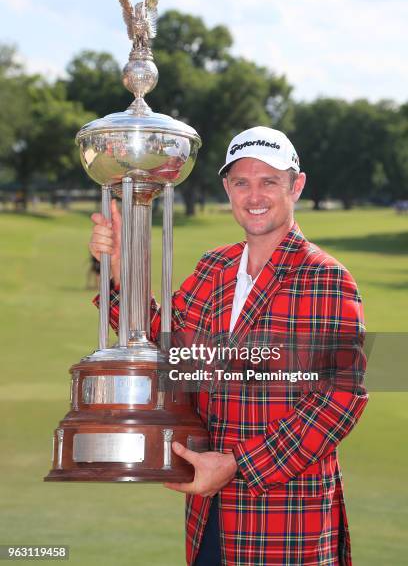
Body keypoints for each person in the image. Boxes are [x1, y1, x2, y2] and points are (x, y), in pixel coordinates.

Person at [89, 126, 368, 565]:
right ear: (227, 189)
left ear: (296, 185)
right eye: (242, 182)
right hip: (209, 517)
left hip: (286, 522)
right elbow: (172, 352)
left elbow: (339, 402)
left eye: (269, 181)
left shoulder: (326, 278)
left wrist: (239, 465)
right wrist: (123, 271)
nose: (254, 195)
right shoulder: (214, 267)